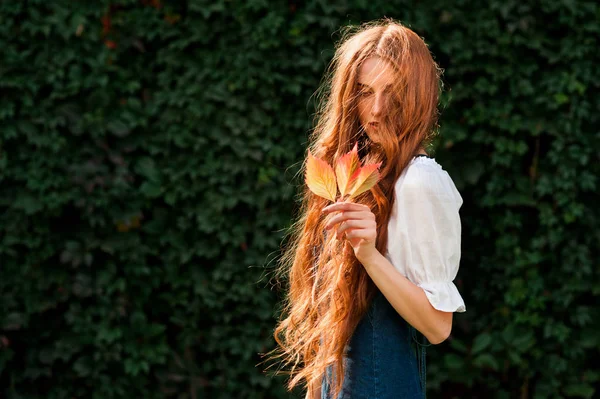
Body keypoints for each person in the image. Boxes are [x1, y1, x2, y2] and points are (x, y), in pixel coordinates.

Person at [265, 19, 466, 399]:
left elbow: (438, 327)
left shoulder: (418, 181)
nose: (375, 109)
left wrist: (369, 255)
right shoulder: (361, 176)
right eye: (364, 92)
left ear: (417, 97)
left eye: (392, 92)